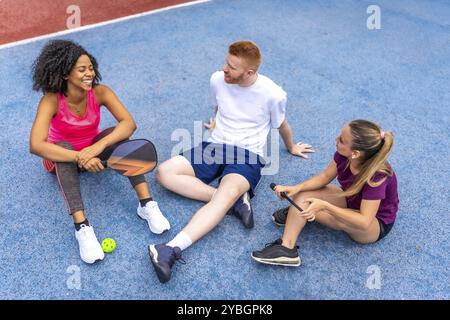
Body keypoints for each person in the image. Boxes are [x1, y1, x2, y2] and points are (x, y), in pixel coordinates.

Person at [148, 40, 314, 283]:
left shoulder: (273, 94)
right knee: (164, 172)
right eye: (226, 62)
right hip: (215, 146)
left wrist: (291, 146)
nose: (224, 69)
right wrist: (216, 124)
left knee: (222, 197)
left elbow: (281, 124)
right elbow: (219, 107)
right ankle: (236, 202)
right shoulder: (218, 79)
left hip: (248, 154)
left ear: (249, 72)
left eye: (232, 67)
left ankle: (171, 248)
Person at [29, 40, 170, 264]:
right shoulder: (51, 100)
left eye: (91, 68)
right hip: (62, 157)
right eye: (82, 70)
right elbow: (36, 145)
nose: (89, 74)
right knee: (63, 147)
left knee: (118, 135)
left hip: (92, 152)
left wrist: (96, 148)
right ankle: (82, 227)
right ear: (65, 74)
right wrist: (79, 156)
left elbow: (128, 123)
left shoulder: (100, 92)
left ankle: (146, 205)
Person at [251, 119, 399, 267]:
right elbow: (324, 177)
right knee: (303, 196)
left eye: (341, 140)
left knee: (304, 204)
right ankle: (287, 247)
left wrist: (325, 206)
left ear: (355, 153)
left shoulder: (378, 176)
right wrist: (297, 188)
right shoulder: (344, 155)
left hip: (373, 224)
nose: (336, 140)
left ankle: (297, 214)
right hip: (351, 199)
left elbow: (364, 220)